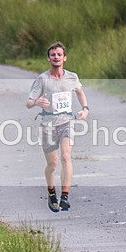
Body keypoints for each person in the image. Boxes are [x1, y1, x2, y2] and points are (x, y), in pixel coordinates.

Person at [26, 42, 89, 212]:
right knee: (52, 164)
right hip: (48, 125)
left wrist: (85, 109)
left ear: (64, 58)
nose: (56, 57)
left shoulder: (72, 77)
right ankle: (51, 191)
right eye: (53, 55)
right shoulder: (42, 79)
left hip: (66, 122)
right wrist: (37, 102)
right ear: (48, 58)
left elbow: (80, 92)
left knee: (66, 157)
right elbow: (28, 102)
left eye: (59, 54)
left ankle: (65, 197)